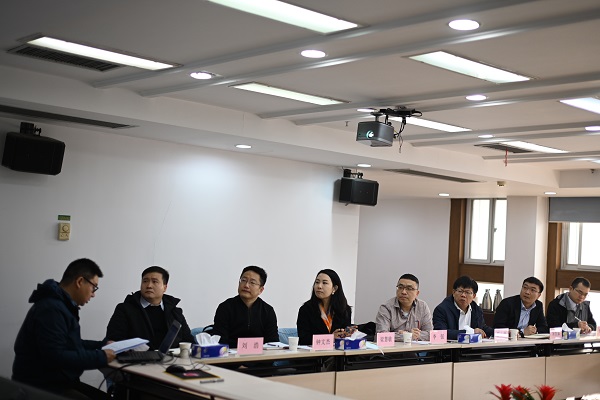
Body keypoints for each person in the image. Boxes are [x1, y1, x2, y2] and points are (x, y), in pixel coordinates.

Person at [12, 258, 116, 400]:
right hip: (40, 388)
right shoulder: (52, 309)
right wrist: (102, 357)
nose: (93, 294)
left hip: (58, 383)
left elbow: (70, 344)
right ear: (80, 282)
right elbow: (57, 356)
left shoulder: (60, 305)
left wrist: (101, 345)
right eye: (94, 287)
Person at [105, 266, 194, 349]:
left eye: (154, 281)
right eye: (145, 281)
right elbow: (114, 341)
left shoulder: (175, 312)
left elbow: (188, 341)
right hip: (136, 359)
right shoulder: (125, 309)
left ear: (165, 287)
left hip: (171, 359)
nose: (149, 286)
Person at [211, 266, 279, 348]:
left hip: (260, 355)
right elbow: (220, 341)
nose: (246, 285)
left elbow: (273, 343)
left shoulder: (268, 311)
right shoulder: (225, 307)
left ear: (261, 289)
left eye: (252, 282)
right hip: (230, 355)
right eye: (243, 280)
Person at [297, 269, 353, 345]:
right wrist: (330, 338)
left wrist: (348, 333)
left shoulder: (344, 310)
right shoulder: (306, 309)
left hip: (337, 351)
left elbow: (346, 338)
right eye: (317, 282)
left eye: (324, 283)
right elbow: (303, 339)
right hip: (313, 352)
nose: (319, 286)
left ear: (334, 288)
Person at [432, 275, 493, 340]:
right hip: (451, 346)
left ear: (474, 296)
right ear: (453, 292)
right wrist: (470, 332)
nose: (463, 295)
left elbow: (482, 328)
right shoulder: (442, 310)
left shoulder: (477, 310)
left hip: (472, 346)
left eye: (467, 292)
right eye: (460, 291)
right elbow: (440, 333)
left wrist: (497, 333)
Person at [375, 273, 432, 341]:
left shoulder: (422, 307)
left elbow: (430, 335)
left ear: (417, 293)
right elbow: (382, 335)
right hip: (392, 348)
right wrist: (408, 335)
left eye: (409, 288)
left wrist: (413, 335)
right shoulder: (386, 308)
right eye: (400, 287)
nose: (403, 292)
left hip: (415, 347)